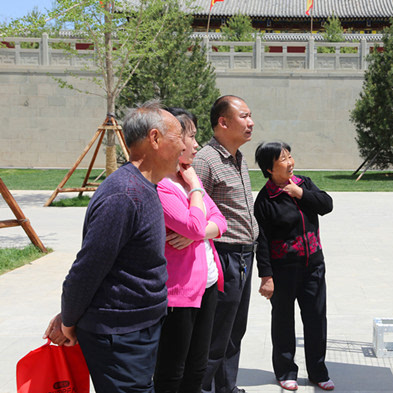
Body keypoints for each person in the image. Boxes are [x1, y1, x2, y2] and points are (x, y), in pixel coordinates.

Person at [43, 100, 185, 393]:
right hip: (119, 335)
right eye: (178, 137)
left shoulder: (146, 186)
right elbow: (88, 268)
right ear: (155, 139)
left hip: (138, 328)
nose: (184, 147)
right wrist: (69, 319)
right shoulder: (124, 194)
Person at [154, 108, 228, 393]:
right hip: (178, 292)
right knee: (173, 371)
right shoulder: (165, 185)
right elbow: (197, 226)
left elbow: (219, 220)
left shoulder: (186, 176)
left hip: (206, 283)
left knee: (197, 366)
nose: (197, 144)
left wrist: (196, 234)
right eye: (191, 137)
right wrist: (197, 189)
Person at [254, 142, 334, 391]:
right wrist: (266, 276)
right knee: (283, 321)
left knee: (316, 319)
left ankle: (318, 371)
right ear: (269, 168)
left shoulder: (304, 184)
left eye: (290, 156)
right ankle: (286, 370)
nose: (290, 162)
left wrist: (301, 194)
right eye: (283, 159)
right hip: (283, 271)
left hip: (313, 267)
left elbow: (326, 205)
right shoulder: (265, 199)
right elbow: (262, 241)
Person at [192, 95, 258, 393]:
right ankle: (201, 388)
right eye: (244, 116)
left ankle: (226, 388)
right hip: (223, 256)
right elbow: (192, 205)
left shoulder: (238, 158)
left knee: (234, 331)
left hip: (246, 254)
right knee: (215, 333)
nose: (251, 122)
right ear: (223, 122)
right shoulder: (205, 160)